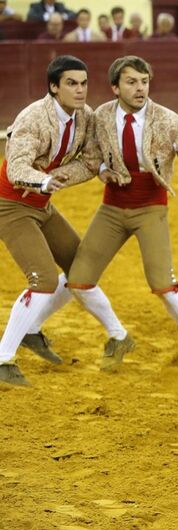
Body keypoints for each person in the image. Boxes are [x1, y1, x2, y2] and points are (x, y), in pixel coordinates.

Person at [66, 56, 178, 374]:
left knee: (162, 283)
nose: (140, 88)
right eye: (132, 82)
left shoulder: (170, 120)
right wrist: (104, 170)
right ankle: (118, 336)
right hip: (112, 207)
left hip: (151, 207)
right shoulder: (101, 116)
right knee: (79, 281)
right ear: (115, 87)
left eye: (144, 81)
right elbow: (92, 157)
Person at [0, 56, 117, 386]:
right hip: (10, 204)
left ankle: (32, 330)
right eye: (71, 83)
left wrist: (74, 173)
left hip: (42, 204)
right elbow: (15, 168)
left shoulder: (85, 116)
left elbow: (92, 160)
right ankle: (2, 359)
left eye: (83, 83)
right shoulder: (32, 118)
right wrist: (43, 180)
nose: (80, 90)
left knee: (80, 269)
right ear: (54, 87)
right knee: (43, 280)